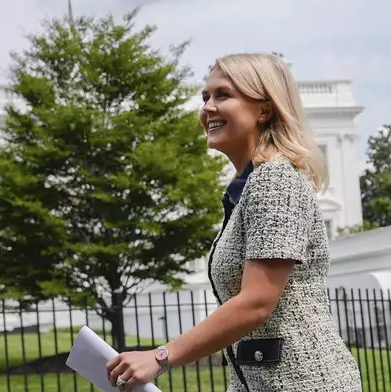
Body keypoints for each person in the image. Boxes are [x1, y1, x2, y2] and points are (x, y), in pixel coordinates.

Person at [105, 53, 362, 391]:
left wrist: (160, 356)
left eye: (222, 95)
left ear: (263, 108)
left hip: (306, 381)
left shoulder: (276, 180)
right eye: (205, 97)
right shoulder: (248, 187)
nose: (207, 107)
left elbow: (256, 302)